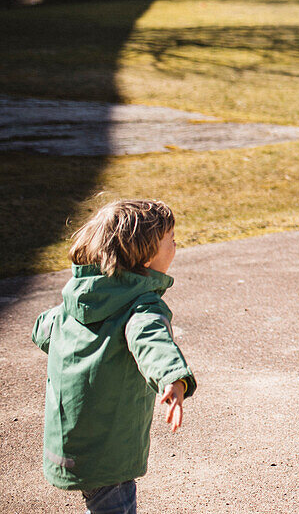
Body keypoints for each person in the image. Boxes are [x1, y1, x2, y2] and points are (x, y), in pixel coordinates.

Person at [32, 199, 197, 513]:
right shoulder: (141, 305)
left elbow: (43, 330)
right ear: (146, 256)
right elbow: (150, 338)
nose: (176, 245)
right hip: (108, 444)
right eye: (171, 241)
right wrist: (172, 377)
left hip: (70, 439)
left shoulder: (79, 300)